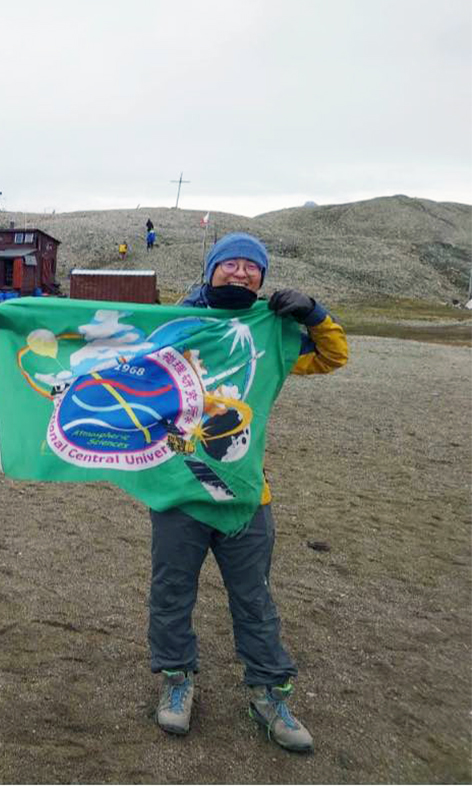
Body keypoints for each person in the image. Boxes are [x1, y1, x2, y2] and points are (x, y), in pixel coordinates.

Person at [152, 232, 347, 752]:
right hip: (179, 494)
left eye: (250, 267)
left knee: (254, 600)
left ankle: (269, 693)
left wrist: (313, 313)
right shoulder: (173, 329)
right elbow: (117, 357)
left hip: (246, 500)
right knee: (171, 595)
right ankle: (177, 682)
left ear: (261, 277)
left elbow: (333, 357)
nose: (240, 273)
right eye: (229, 264)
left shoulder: (273, 333)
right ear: (210, 270)